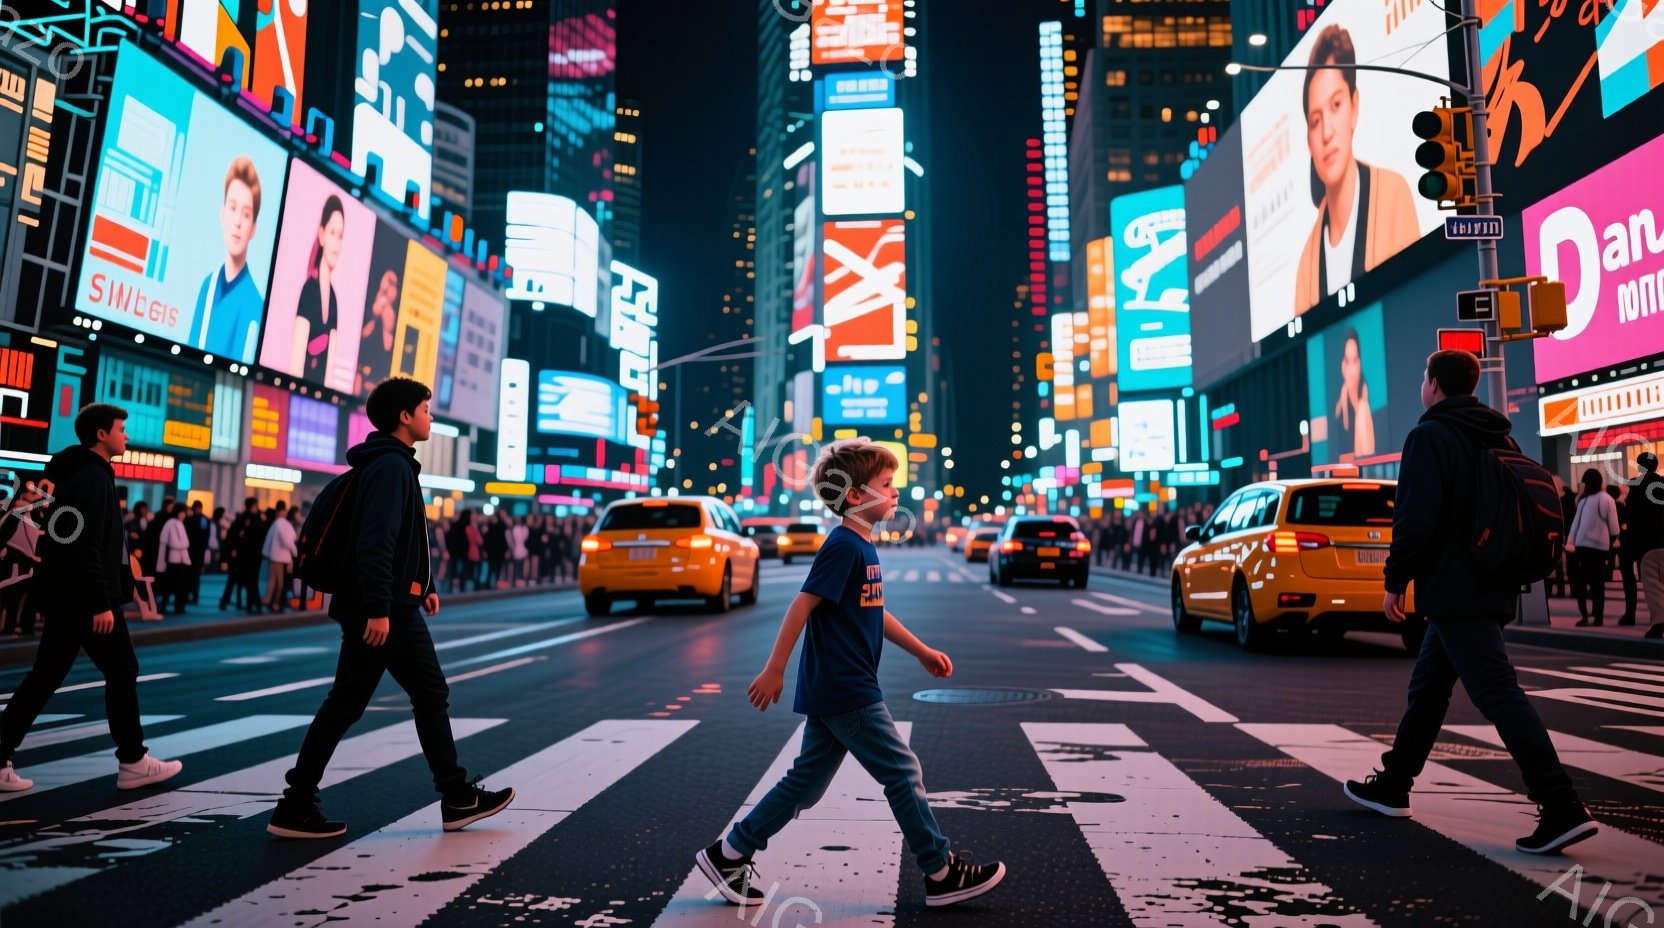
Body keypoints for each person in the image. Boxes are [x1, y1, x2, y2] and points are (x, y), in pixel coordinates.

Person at [694, 439, 1004, 908]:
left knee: (806, 784)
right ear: (856, 496)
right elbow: (802, 604)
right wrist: (774, 668)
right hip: (847, 687)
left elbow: (874, 612)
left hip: (838, 686)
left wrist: (920, 650)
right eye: (886, 484)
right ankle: (940, 871)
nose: (895, 492)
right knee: (903, 772)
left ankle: (730, 852)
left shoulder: (861, 545)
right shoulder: (844, 546)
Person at [1345, 350, 1596, 855]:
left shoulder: (1429, 436)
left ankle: (1560, 802)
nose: (1422, 385)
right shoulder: (1498, 433)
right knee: (1429, 690)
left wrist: (1396, 581)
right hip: (1489, 582)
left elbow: (1416, 518)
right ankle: (1394, 784)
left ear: (1434, 384)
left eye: (1422, 376)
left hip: (1456, 589)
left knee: (1498, 693)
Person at [268, 378, 513, 838]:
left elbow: (402, 541)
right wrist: (381, 606)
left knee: (348, 703)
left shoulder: (390, 463)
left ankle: (297, 802)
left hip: (389, 602)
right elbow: (376, 543)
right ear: (405, 416)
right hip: (383, 609)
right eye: (425, 408)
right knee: (427, 693)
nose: (430, 416)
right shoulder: (391, 468)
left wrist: (425, 585)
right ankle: (456, 795)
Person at [0, 404, 183, 793]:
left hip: (67, 595)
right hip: (83, 599)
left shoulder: (76, 473)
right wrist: (101, 601)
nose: (127, 436)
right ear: (102, 434)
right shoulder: (93, 478)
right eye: (121, 429)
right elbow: (85, 546)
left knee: (46, 677)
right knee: (121, 670)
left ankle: (1, 756)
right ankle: (133, 761)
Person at [1293, 25, 1419, 314]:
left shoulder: (1393, 196)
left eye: (1336, 105)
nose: (1326, 132)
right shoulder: (1306, 266)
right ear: (1308, 139)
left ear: (1354, 105)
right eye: (1315, 120)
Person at [189, 156, 266, 362]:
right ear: (222, 214)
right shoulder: (209, 285)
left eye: (247, 214)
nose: (238, 222)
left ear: (254, 229)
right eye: (233, 208)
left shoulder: (255, 306)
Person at [293, 196, 345, 379]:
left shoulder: (334, 301)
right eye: (332, 233)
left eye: (340, 236)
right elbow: (295, 365)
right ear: (321, 234)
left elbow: (328, 373)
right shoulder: (309, 292)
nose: (337, 244)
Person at [1566, 469, 1621, 627]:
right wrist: (1612, 540)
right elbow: (1614, 526)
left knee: (1581, 582)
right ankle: (1598, 616)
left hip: (1582, 545)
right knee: (1598, 584)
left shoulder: (1583, 500)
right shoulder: (1607, 499)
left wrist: (1571, 542)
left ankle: (1584, 615)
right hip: (1600, 547)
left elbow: (1575, 524)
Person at [0, 480, 44, 636]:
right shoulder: (23, 514)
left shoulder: (18, 513)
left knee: (15, 596)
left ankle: (14, 627)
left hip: (18, 561)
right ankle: (18, 627)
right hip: (21, 561)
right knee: (17, 596)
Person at [1629, 451, 1664, 639]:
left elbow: (1631, 517)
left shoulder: (1636, 486)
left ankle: (1659, 623)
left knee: (1652, 585)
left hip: (1647, 545)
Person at [1334, 328, 1376, 458]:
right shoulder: (1340, 406)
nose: (1350, 368)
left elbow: (1367, 464)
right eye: (1347, 360)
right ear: (1343, 365)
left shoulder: (1363, 408)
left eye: (1354, 360)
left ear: (1360, 363)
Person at [155, 503, 193, 615]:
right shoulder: (171, 523)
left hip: (181, 559)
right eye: (181, 513)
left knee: (179, 585)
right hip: (173, 559)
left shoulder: (179, 523)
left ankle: (178, 606)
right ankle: (167, 606)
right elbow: (172, 542)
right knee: (171, 584)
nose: (183, 515)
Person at [263, 501, 298, 612]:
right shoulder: (283, 524)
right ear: (283, 511)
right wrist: (295, 551)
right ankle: (275, 603)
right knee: (279, 583)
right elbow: (287, 541)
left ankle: (270, 601)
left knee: (273, 581)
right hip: (281, 558)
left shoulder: (275, 523)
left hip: (274, 557)